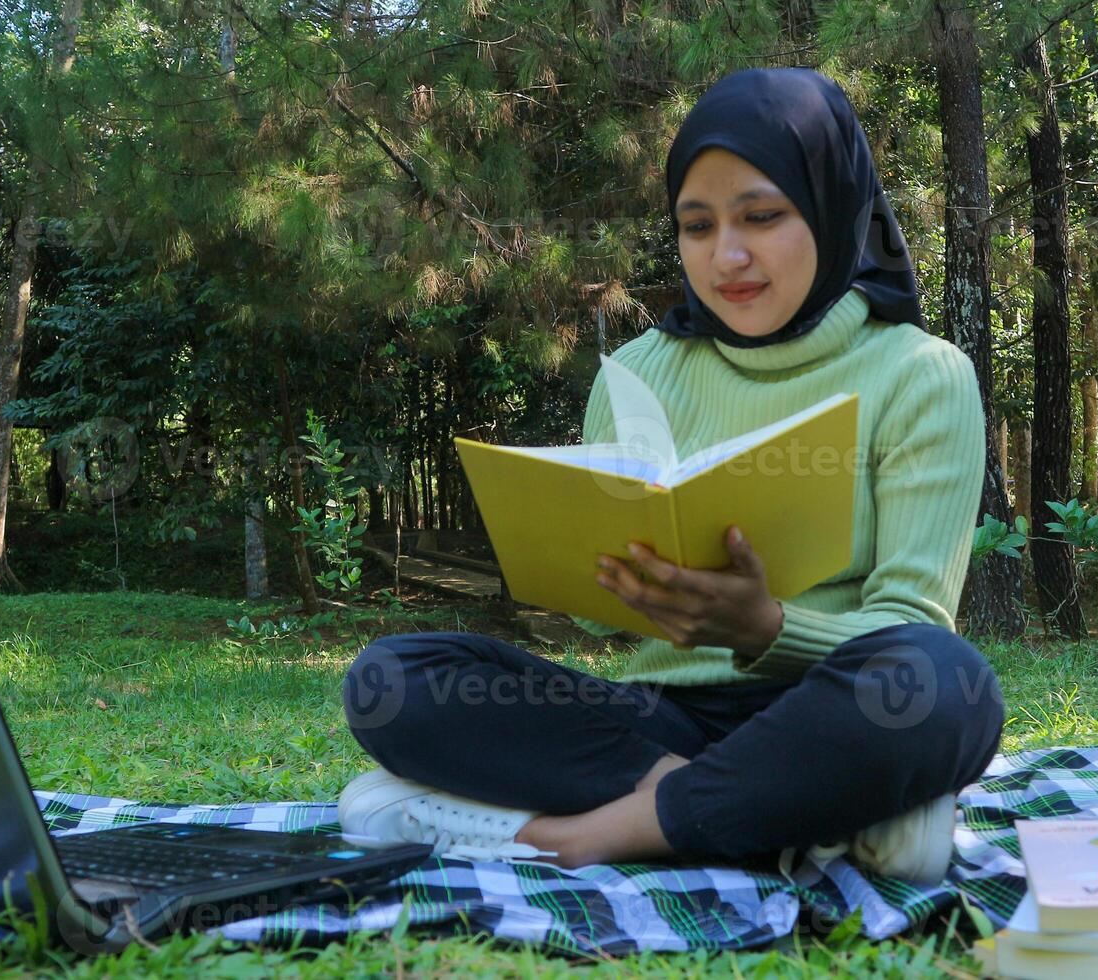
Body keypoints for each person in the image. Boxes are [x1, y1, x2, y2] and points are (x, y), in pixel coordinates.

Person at [336, 67, 1004, 883]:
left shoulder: (920, 374)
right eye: (696, 225)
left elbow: (911, 624)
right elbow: (596, 630)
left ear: (834, 209)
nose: (727, 255)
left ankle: (587, 836)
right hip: (657, 726)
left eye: (762, 216)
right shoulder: (638, 372)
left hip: (826, 708)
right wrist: (603, 574)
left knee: (947, 686)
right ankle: (804, 817)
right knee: (395, 680)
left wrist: (763, 625)